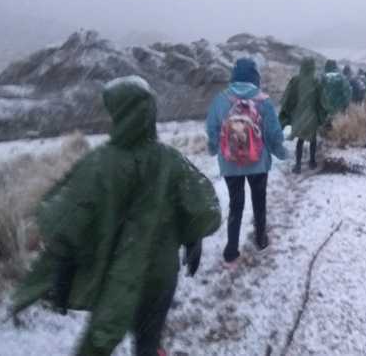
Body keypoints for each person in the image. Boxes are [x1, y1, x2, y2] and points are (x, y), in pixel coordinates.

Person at [12, 75, 221, 356]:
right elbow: (201, 207)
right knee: (148, 340)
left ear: (117, 112)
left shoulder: (98, 164)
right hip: (161, 275)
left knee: (99, 341)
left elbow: (67, 220)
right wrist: (193, 240)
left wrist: (62, 267)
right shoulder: (172, 160)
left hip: (113, 275)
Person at [206, 58, 287, 265]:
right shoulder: (264, 101)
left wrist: (214, 148)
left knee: (236, 204)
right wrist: (280, 152)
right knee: (259, 202)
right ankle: (261, 239)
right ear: (255, 77)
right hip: (258, 163)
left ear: (234, 76)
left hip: (230, 163)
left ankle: (231, 249)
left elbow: (212, 129)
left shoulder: (220, 100)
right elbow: (273, 134)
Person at [279, 57, 326, 174]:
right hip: (312, 115)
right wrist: (323, 114)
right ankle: (312, 162)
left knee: (300, 140)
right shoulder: (316, 82)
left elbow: (288, 97)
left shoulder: (295, 80)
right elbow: (322, 101)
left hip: (299, 115)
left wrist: (286, 112)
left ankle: (298, 165)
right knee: (312, 139)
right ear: (312, 67)